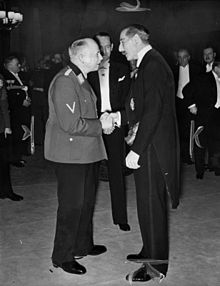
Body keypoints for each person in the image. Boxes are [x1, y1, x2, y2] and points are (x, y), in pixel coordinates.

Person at [112, 24, 180, 282]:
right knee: (145, 203)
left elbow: (152, 112)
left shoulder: (152, 65)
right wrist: (118, 117)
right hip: (148, 143)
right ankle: (148, 249)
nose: (119, 48)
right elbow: (137, 106)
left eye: (122, 42)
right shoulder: (146, 63)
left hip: (151, 147)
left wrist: (137, 150)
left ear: (136, 40)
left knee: (152, 206)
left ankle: (156, 267)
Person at [44, 38, 114, 275]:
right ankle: (62, 256)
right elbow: (70, 124)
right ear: (82, 57)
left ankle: (83, 244)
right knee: (71, 206)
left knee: (85, 202)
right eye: (96, 53)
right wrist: (101, 125)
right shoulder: (65, 82)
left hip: (86, 152)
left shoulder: (80, 79)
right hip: (70, 155)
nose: (100, 57)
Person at [88, 32, 131, 232]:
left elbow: (129, 102)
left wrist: (117, 118)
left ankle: (120, 217)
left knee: (116, 170)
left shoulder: (123, 69)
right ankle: (86, 219)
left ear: (112, 47)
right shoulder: (87, 71)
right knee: (89, 172)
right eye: (100, 46)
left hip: (115, 124)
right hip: (93, 126)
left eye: (107, 46)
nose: (104, 50)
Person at [183, 60, 220, 178]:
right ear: (216, 68)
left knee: (216, 143)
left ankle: (216, 167)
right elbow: (186, 90)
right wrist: (191, 106)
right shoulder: (203, 78)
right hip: (204, 115)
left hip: (217, 116)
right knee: (200, 144)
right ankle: (199, 171)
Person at [173, 48, 202, 164]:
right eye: (179, 57)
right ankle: (182, 156)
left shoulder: (196, 69)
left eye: (184, 57)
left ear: (189, 57)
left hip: (191, 104)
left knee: (190, 131)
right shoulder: (173, 70)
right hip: (178, 103)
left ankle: (191, 156)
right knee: (179, 131)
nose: (182, 60)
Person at [2, 55, 31, 167]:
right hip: (14, 111)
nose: (19, 66)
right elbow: (8, 96)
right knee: (16, 135)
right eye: (16, 64)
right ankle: (15, 158)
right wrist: (20, 102)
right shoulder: (6, 76)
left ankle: (20, 154)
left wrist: (27, 98)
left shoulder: (19, 75)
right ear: (9, 65)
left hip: (22, 109)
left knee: (22, 132)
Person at [0, 74, 23, 201]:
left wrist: (7, 127)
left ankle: (6, 191)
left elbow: (4, 107)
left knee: (4, 162)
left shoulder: (1, 83)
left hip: (1, 129)